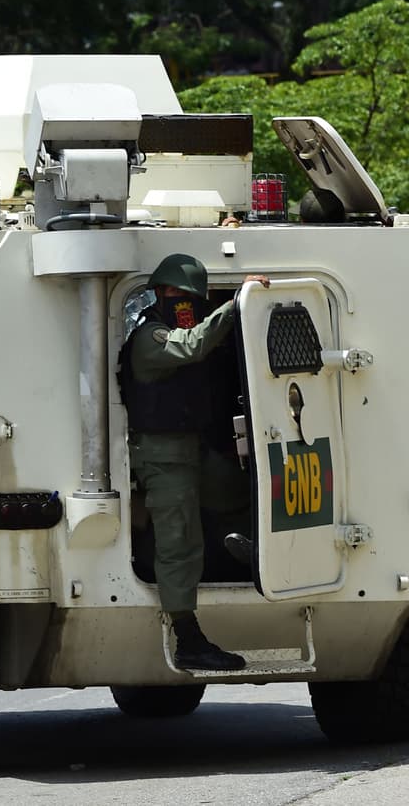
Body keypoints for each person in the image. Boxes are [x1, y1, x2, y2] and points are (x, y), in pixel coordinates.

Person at [118, 253, 269, 671]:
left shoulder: (181, 328)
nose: (183, 302)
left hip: (193, 450)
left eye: (191, 297)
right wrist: (237, 302)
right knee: (178, 544)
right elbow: (192, 345)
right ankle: (187, 637)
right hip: (162, 459)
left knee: (242, 493)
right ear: (160, 295)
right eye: (175, 294)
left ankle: (261, 554)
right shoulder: (152, 336)